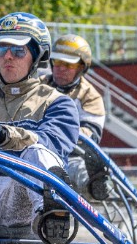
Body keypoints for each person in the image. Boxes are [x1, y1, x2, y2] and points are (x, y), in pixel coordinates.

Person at [0, 12, 80, 244]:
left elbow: (52, 145)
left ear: (37, 56)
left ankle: (52, 217)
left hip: (22, 199)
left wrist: (3, 135)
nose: (8, 57)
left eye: (18, 51)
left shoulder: (58, 103)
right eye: (1, 50)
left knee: (39, 152)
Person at [41, 34, 110, 198]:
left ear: (81, 67)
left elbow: (90, 136)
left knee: (77, 171)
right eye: (57, 62)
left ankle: (97, 186)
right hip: (35, 149)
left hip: (71, 155)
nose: (60, 68)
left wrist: (56, 134)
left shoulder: (90, 96)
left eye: (68, 64)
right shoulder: (38, 86)